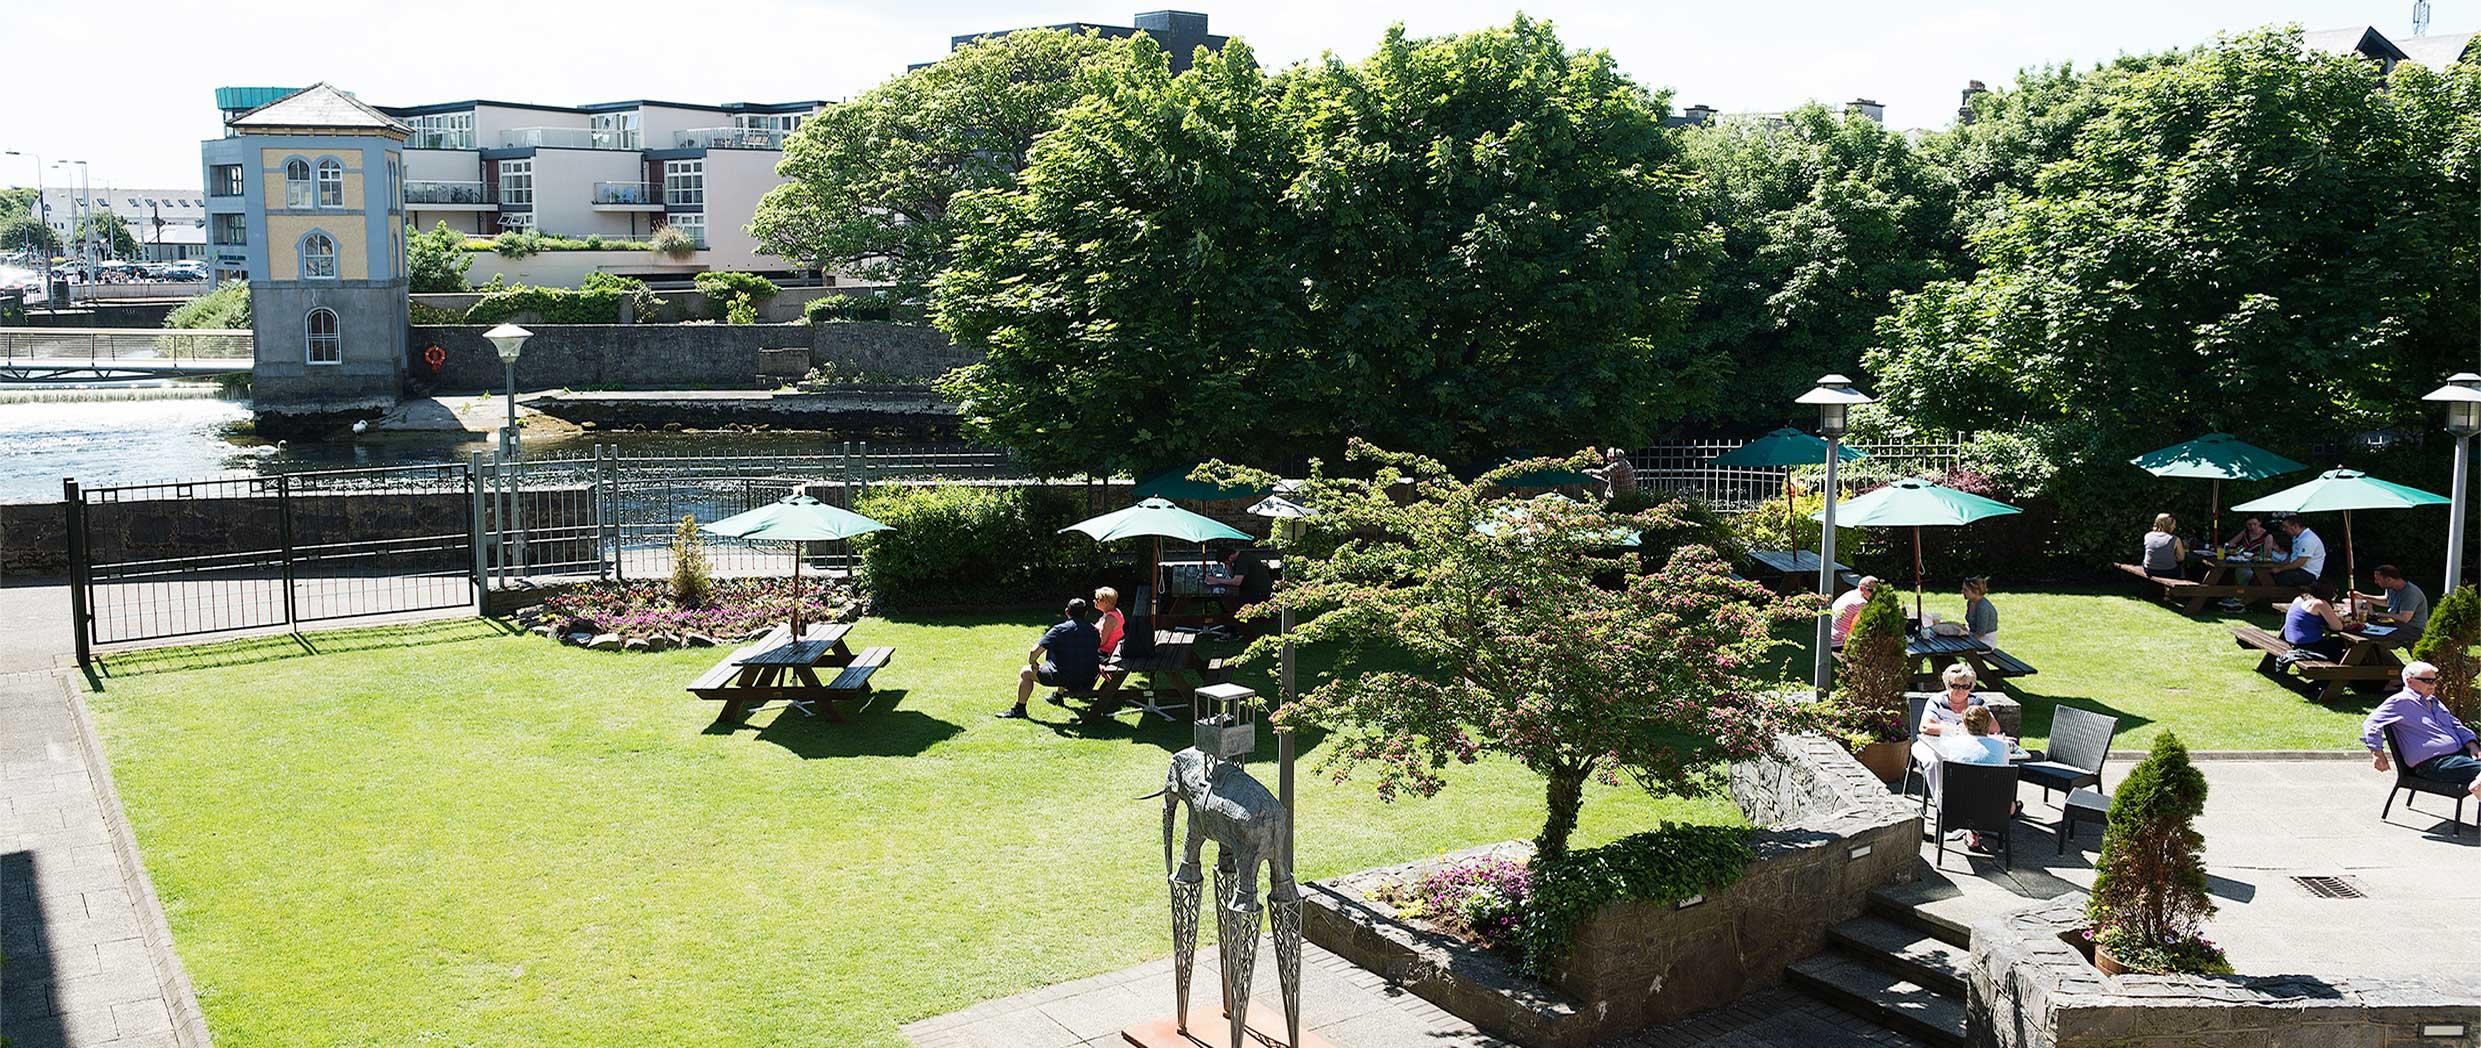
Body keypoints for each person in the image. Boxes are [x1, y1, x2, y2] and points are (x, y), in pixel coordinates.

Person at [2363, 660, 2481, 803]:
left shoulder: (2434, 701)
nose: (2433, 685)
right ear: (2409, 681)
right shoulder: (2400, 702)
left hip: (2458, 755)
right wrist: (2377, 753)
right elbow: (2371, 723)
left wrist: (2472, 744)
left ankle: (2479, 785)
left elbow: (2455, 724)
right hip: (2434, 764)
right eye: (2427, 681)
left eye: (2434, 681)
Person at [998, 599, 1102, 719]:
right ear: (1086, 613)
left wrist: (1033, 662)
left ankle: (1019, 709)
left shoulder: (1059, 630)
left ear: (1067, 612)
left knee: (1025, 672)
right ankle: (1058, 696)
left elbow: (1034, 651)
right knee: (1070, 661)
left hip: (1064, 677)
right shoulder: (1094, 631)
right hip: (1088, 679)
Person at [2353, 564, 2428, 648]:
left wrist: (2375, 614)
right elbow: (2387, 601)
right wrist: (2363, 596)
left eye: (2378, 579)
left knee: (2372, 640)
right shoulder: (2391, 587)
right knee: (2363, 628)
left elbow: (2404, 618)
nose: (2375, 582)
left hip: (2412, 630)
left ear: (2389, 579)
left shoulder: (2410, 593)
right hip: (2396, 625)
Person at [2281, 581, 2354, 660]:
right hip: (2307, 645)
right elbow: (2338, 627)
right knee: (2347, 644)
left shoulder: (2299, 599)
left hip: (2290, 640)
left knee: (2337, 642)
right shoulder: (2319, 603)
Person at [2269, 517, 2326, 589]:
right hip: (2299, 570)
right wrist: (2280, 565)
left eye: (2286, 527)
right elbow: (2293, 557)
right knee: (2269, 574)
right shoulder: (2297, 537)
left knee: (2278, 577)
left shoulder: (2307, 539)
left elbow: (2300, 562)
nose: (2283, 529)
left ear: (2295, 526)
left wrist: (2280, 569)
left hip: (2308, 573)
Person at [1830, 576, 1880, 646]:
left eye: (1878, 590)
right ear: (1862, 588)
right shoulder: (1861, 603)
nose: (1876, 594)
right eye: (1871, 590)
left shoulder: (1852, 593)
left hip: (1831, 634)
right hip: (1839, 640)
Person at [2141, 513, 2186, 578]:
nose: (2175, 527)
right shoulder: (2175, 539)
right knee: (2180, 567)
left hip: (2149, 570)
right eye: (2174, 525)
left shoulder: (2147, 536)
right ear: (2168, 525)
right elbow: (2181, 558)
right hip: (2169, 571)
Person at [1961, 576, 1998, 648]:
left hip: (1985, 642)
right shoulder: (1970, 602)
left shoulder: (1983, 607)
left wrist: (1967, 641)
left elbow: (1980, 633)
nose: (1962, 591)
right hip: (1974, 638)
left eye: (1965, 590)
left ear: (1976, 591)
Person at [1092, 586, 1127, 658]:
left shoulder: (1110, 618)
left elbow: (1101, 642)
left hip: (1104, 653)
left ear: (1106, 602)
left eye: (1097, 599)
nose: (1094, 601)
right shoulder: (1114, 612)